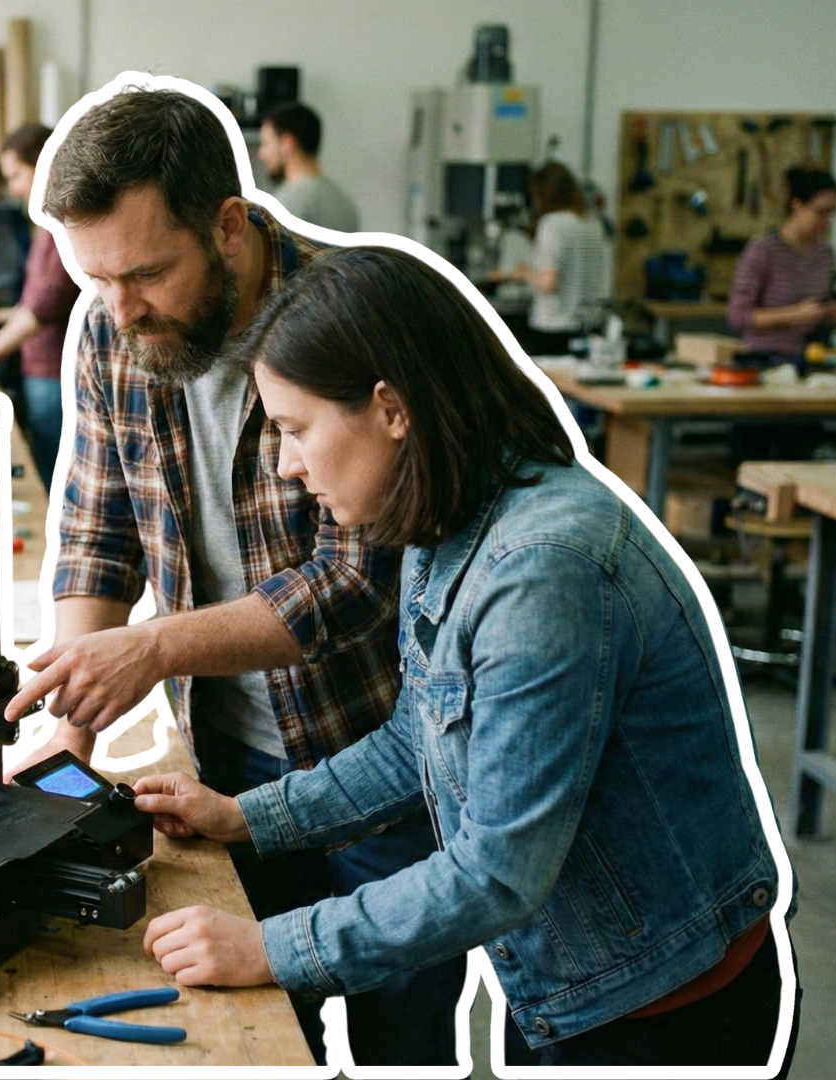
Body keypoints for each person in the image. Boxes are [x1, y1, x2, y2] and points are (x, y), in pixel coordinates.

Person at [134, 244, 799, 1073]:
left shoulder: (544, 570)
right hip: (575, 982)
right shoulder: (447, 514)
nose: (287, 465)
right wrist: (245, 817)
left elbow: (496, 873)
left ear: (391, 408)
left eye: (297, 429)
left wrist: (270, 949)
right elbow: (418, 737)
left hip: (657, 1007)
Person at [1, 85, 463, 1066]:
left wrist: (156, 645)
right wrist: (67, 737)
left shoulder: (350, 317)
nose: (123, 310)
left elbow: (357, 579)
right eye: (98, 284)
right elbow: (98, 532)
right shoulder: (111, 329)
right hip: (231, 772)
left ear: (228, 225)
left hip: (386, 765)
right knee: (253, 1038)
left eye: (146, 275)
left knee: (399, 1044)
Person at [0, 123, 81, 487]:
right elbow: (29, 300)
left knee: (53, 482)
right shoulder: (48, 225)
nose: (13, 187)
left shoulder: (66, 223)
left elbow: (41, 307)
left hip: (55, 373)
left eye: (16, 175)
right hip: (40, 370)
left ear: (44, 163)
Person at [728, 168, 836, 358]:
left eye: (833, 212)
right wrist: (795, 315)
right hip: (764, 358)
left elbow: (820, 304)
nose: (828, 221)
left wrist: (834, 314)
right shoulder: (763, 251)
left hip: (812, 356)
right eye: (821, 212)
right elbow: (738, 317)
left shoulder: (825, 254)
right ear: (797, 206)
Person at [512, 160, 611, 356]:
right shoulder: (594, 224)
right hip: (590, 327)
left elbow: (549, 282)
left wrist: (524, 273)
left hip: (553, 329)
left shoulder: (552, 224)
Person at [257, 102, 359, 233]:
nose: (261, 155)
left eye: (266, 144)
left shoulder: (283, 207)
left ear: (288, 144)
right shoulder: (345, 204)